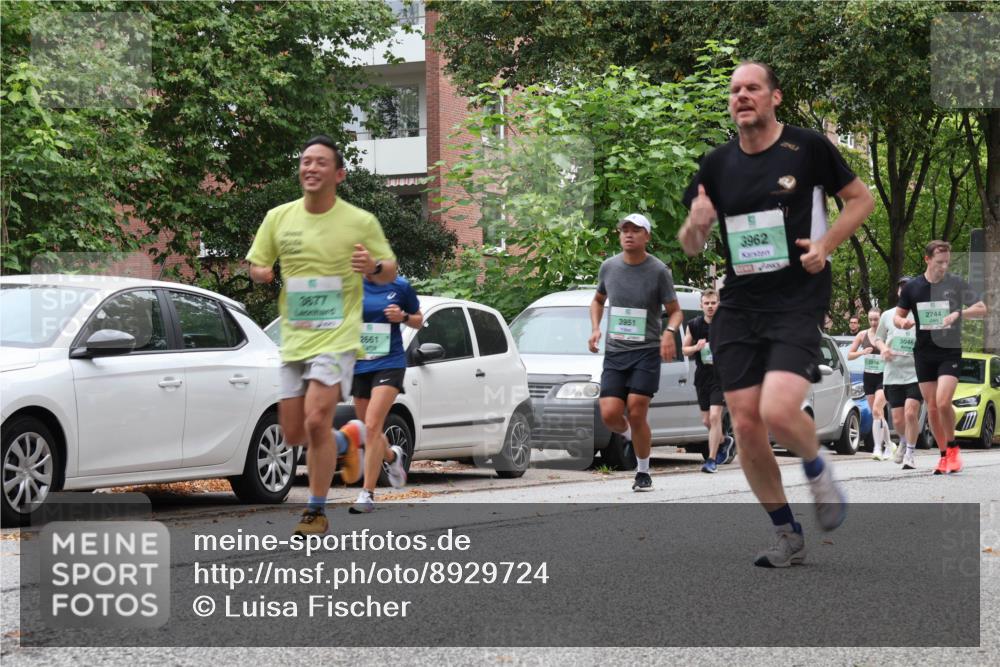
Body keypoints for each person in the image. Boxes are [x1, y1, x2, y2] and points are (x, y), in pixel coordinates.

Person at [678, 60, 875, 567]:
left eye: (752, 88)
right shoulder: (715, 165)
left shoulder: (807, 147)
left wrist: (827, 245)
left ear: (774, 98)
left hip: (797, 297)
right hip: (741, 303)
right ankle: (786, 532)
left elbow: (860, 200)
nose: (742, 96)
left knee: (779, 410)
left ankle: (815, 465)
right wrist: (697, 226)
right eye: (735, 90)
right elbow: (692, 246)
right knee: (745, 426)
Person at [247, 135, 398, 536]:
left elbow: (389, 271)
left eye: (320, 162)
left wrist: (374, 264)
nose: (310, 168)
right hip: (294, 339)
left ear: (339, 174)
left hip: (337, 337)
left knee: (316, 419)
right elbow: (258, 264)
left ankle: (315, 511)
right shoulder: (278, 217)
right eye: (305, 161)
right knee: (295, 433)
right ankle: (347, 441)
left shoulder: (360, 221)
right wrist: (261, 273)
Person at [589, 212, 683, 492]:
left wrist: (669, 333)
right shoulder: (609, 267)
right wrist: (595, 328)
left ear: (647, 236)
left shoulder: (658, 271)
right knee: (609, 414)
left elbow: (675, 312)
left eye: (635, 230)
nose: (628, 234)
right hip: (616, 351)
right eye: (624, 230)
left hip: (646, 351)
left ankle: (643, 472)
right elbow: (597, 300)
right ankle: (634, 436)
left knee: (637, 409)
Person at [895, 240, 986, 475]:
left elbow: (981, 308)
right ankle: (944, 455)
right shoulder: (912, 288)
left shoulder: (956, 283)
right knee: (933, 408)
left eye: (947, 262)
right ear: (927, 260)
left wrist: (958, 313)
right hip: (924, 353)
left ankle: (954, 449)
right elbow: (898, 316)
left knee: (944, 401)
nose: (944, 267)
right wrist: (902, 322)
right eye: (939, 262)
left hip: (949, 351)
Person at [349, 275, 423, 513]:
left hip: (389, 363)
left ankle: (367, 494)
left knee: (372, 425)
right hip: (359, 365)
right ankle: (392, 457)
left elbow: (418, 320)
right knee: (366, 427)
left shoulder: (399, 286)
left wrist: (402, 317)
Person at [681, 288, 736, 473]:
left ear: (718, 304)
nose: (710, 306)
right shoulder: (694, 325)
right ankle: (724, 440)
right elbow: (684, 350)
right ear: (701, 305)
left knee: (714, 416)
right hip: (702, 376)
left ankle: (711, 460)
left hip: (721, 376)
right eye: (707, 303)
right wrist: (696, 347)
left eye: (713, 303)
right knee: (707, 421)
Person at [875, 276, 922, 470]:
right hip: (893, 373)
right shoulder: (887, 315)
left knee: (911, 413)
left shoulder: (920, 314)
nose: (904, 290)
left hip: (916, 372)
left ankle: (910, 453)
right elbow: (878, 338)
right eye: (902, 287)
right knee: (897, 419)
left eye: (908, 287)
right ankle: (903, 440)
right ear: (898, 292)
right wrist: (883, 348)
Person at [847, 308, 893, 460]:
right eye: (871, 319)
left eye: (876, 319)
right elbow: (850, 355)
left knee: (876, 410)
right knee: (877, 414)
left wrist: (887, 354)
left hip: (884, 376)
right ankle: (889, 445)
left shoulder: (886, 334)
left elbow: (895, 353)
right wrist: (862, 352)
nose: (873, 322)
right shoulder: (862, 335)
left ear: (881, 319)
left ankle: (877, 448)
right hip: (868, 377)